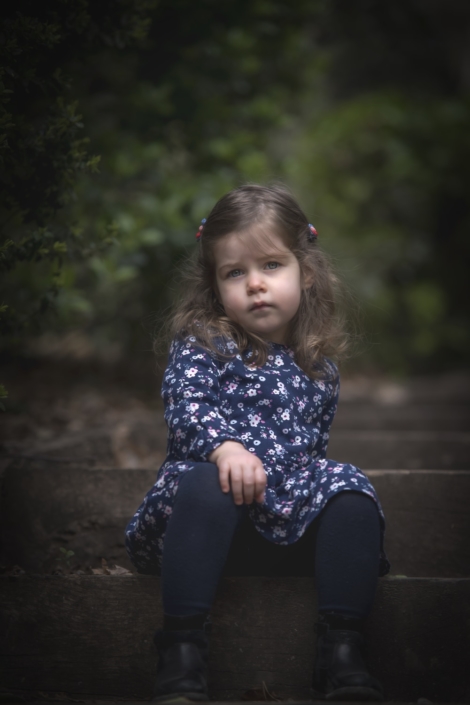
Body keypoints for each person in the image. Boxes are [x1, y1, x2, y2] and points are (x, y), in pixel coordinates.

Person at [125, 185, 389, 703]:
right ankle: (181, 651)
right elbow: (186, 405)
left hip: (282, 530)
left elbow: (309, 457)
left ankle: (342, 650)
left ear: (305, 272)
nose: (255, 285)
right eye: (234, 273)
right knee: (206, 483)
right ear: (216, 285)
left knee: (351, 489)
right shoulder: (205, 344)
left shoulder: (320, 370)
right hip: (203, 528)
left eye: (271, 265)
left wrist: (316, 495)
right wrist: (225, 448)